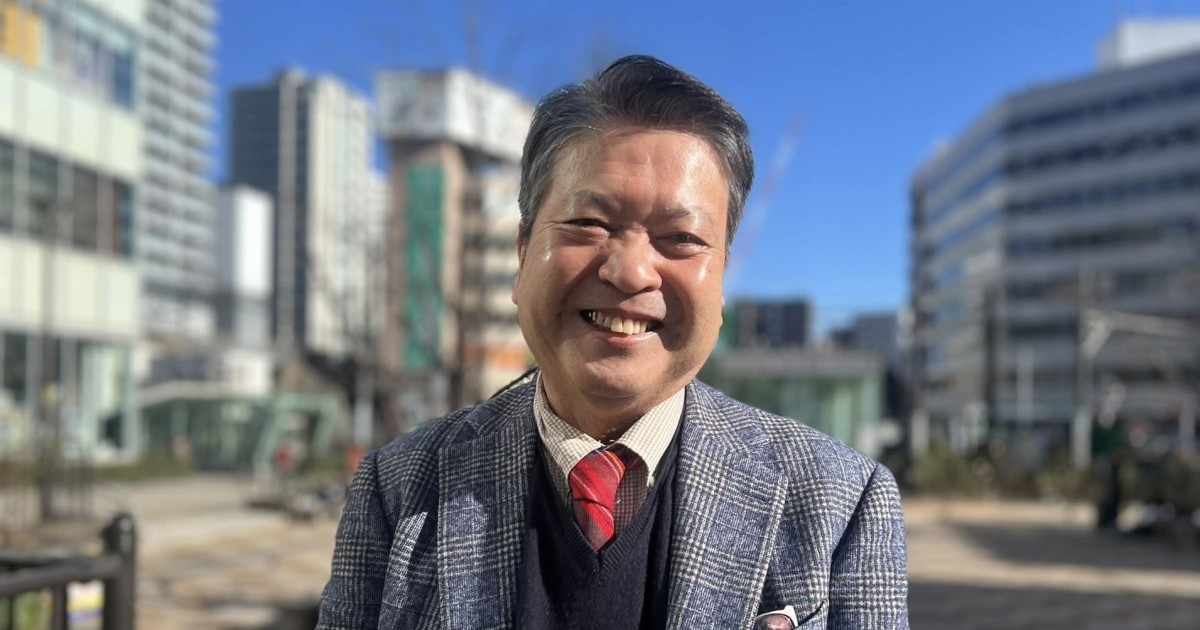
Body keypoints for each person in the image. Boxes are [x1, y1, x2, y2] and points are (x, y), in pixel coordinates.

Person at [318, 55, 908, 629]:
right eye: (589, 225)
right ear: (522, 254)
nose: (630, 272)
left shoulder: (840, 505)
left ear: (722, 277)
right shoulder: (397, 489)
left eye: (680, 237)